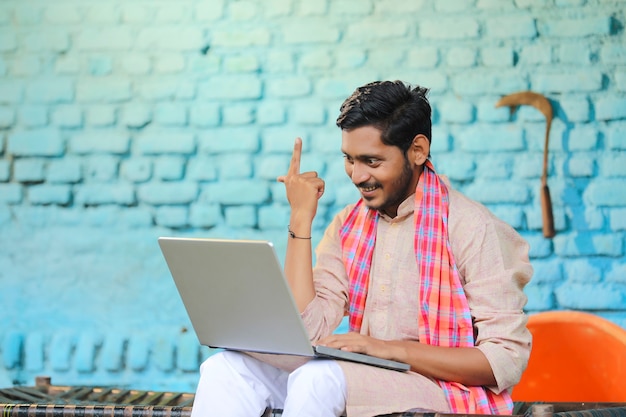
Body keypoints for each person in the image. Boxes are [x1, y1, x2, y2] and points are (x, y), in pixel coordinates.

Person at [189, 80, 533, 417]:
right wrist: (301, 219)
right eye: (349, 159)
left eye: (372, 161)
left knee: (318, 378)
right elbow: (310, 331)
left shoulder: (472, 227)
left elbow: (504, 360)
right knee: (226, 368)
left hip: (442, 388)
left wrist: (386, 350)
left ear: (417, 151)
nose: (356, 175)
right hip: (366, 376)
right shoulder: (349, 225)